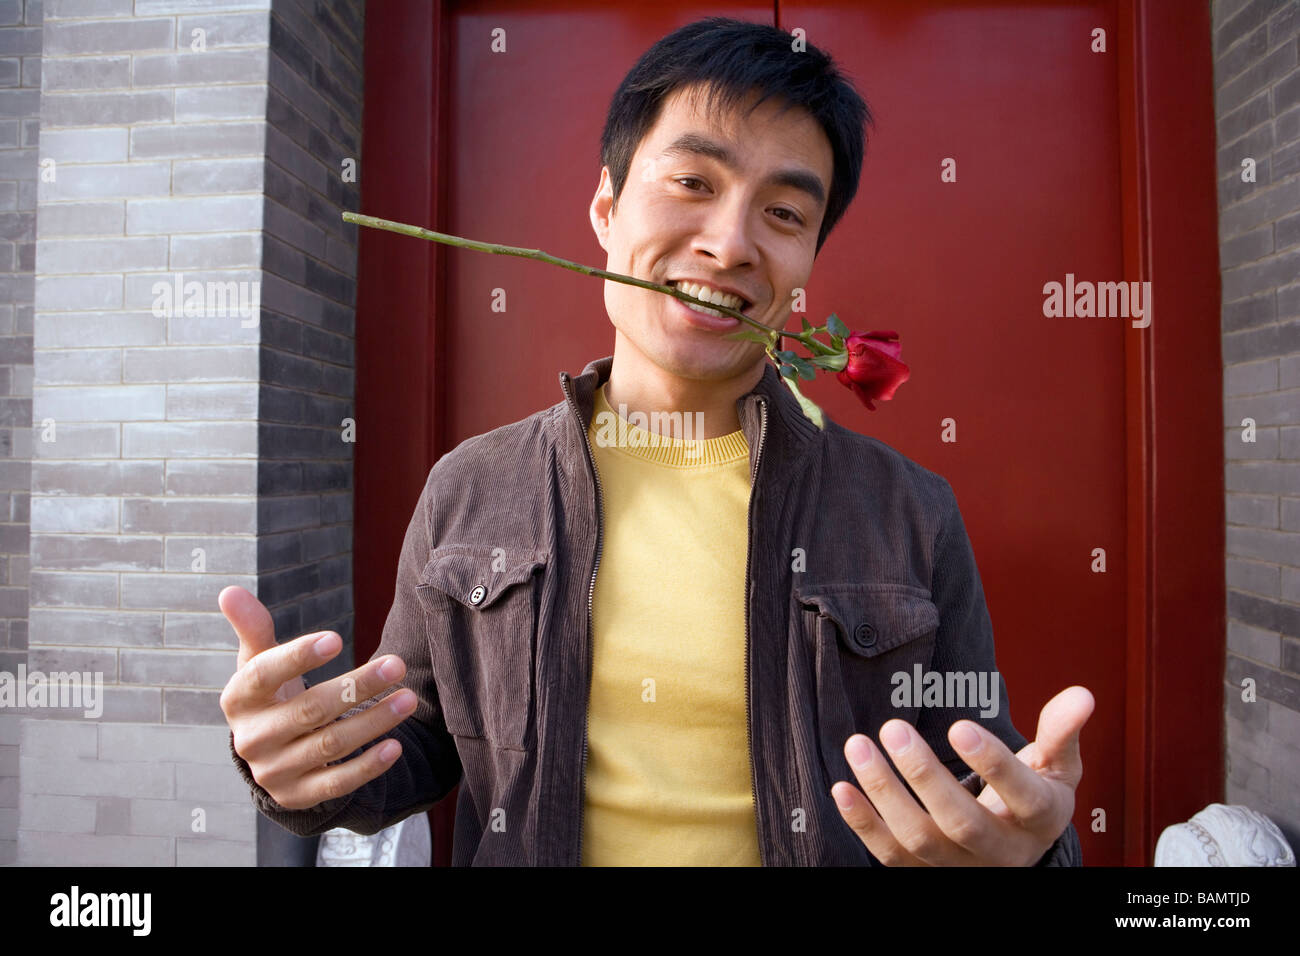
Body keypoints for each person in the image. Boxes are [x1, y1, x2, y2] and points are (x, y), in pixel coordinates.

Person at [220, 16, 1093, 866]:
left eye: (784, 214)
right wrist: (300, 765)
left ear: (806, 269)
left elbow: (977, 769)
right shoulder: (471, 487)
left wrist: (1024, 840)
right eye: (693, 184)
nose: (729, 243)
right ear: (605, 207)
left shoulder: (910, 511)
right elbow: (417, 743)